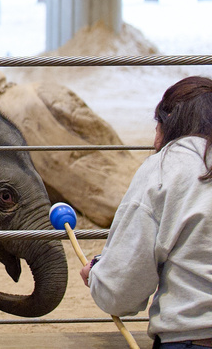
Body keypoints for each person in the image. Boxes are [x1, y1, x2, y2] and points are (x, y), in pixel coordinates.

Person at [80, 76, 212, 349]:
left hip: (192, 338)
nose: (154, 141)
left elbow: (121, 292)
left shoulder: (166, 168)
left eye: (157, 126)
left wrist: (98, 276)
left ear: (170, 124)